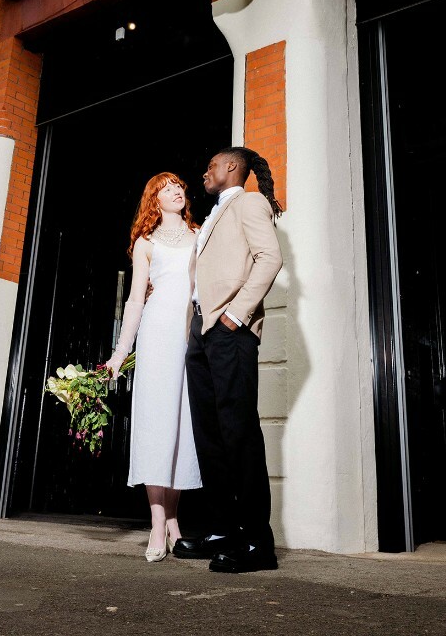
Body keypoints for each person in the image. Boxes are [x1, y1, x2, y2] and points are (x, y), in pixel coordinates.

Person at [173, 147, 283, 573]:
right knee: (210, 435)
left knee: (238, 434)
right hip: (202, 334)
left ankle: (258, 544)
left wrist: (236, 315)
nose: (205, 173)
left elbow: (269, 258)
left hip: (229, 330)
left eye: (212, 166)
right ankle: (223, 530)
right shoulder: (216, 214)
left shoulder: (249, 202)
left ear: (232, 168)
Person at [106, 173, 202, 562]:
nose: (176, 191)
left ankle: (175, 519)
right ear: (154, 199)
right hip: (158, 335)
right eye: (166, 188)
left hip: (191, 337)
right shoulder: (145, 243)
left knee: (182, 427)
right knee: (156, 425)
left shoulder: (200, 233)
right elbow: (134, 301)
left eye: (178, 185)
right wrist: (120, 352)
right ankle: (157, 521)